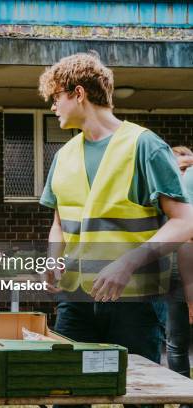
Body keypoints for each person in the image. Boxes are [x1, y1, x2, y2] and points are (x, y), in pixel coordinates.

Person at [38, 52, 193, 366]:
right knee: (64, 391)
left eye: (55, 98)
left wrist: (128, 263)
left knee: (139, 393)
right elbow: (59, 221)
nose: (52, 107)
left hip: (135, 303)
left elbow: (184, 221)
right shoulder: (63, 155)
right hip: (76, 300)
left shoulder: (145, 145)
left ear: (78, 93)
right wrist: (53, 258)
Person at [165, 146, 193, 380]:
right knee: (177, 339)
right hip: (176, 272)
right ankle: (184, 394)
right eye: (181, 169)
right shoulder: (168, 200)